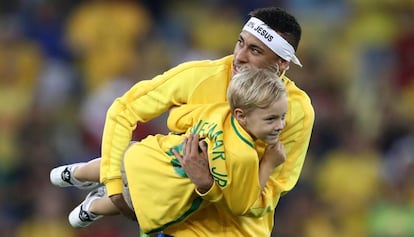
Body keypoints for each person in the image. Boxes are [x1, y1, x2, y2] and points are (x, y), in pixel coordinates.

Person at [66, 6, 313, 236]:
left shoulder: (296, 111)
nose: (239, 57)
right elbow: (124, 109)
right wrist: (114, 185)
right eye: (240, 43)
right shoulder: (201, 76)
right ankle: (92, 187)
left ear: (282, 64)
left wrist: (208, 185)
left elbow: (265, 200)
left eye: (255, 50)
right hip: (173, 225)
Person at [50, 66, 288, 234]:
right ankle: (91, 207)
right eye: (271, 119)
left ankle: (77, 173)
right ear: (241, 115)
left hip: (157, 155)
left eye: (283, 117)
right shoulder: (245, 157)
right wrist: (268, 163)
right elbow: (241, 205)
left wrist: (190, 136)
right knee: (125, 201)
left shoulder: (218, 112)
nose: (280, 125)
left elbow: (178, 119)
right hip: (170, 189)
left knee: (115, 163)